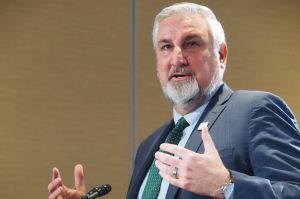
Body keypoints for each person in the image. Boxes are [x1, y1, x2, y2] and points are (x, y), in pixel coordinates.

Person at [48, 2, 300, 199]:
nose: (177, 58)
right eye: (166, 46)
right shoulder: (148, 148)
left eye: (191, 43)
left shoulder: (255, 110)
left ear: (221, 55)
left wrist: (226, 185)